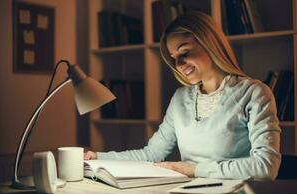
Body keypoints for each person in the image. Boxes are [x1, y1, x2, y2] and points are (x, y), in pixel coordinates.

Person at [84, 11, 281, 180]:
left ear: (209, 43)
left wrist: (194, 170)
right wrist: (98, 157)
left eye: (184, 52)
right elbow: (152, 153)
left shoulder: (253, 93)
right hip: (188, 192)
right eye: (174, 58)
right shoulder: (180, 98)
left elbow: (266, 167)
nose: (178, 64)